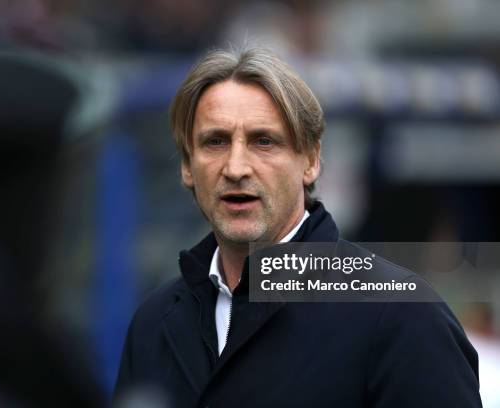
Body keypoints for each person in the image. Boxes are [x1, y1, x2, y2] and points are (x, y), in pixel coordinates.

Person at [114, 47, 482, 407]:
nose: (236, 167)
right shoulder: (153, 325)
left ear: (310, 160)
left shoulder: (402, 317)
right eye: (215, 142)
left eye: (263, 141)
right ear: (187, 166)